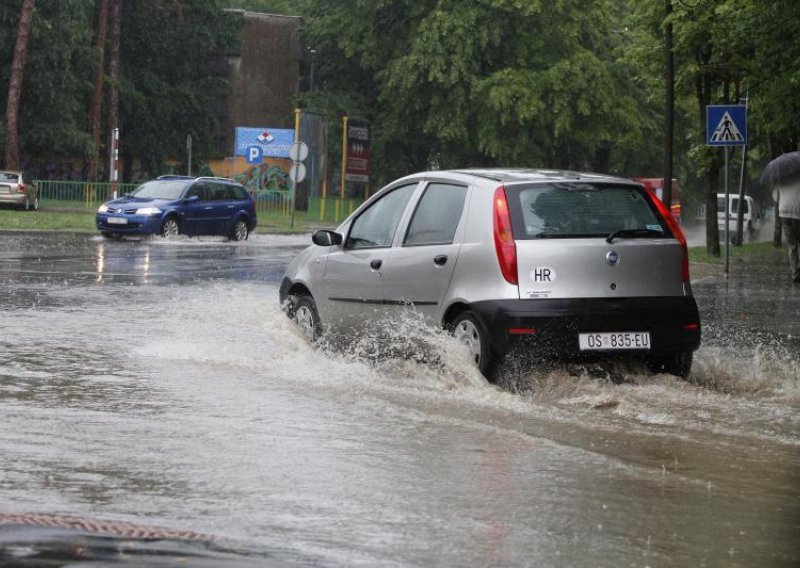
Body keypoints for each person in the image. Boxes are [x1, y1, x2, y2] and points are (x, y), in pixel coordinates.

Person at [773, 173, 800, 283]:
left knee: (792, 245)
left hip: (784, 214)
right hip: (798, 214)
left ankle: (795, 274)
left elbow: (775, 197)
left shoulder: (781, 178)